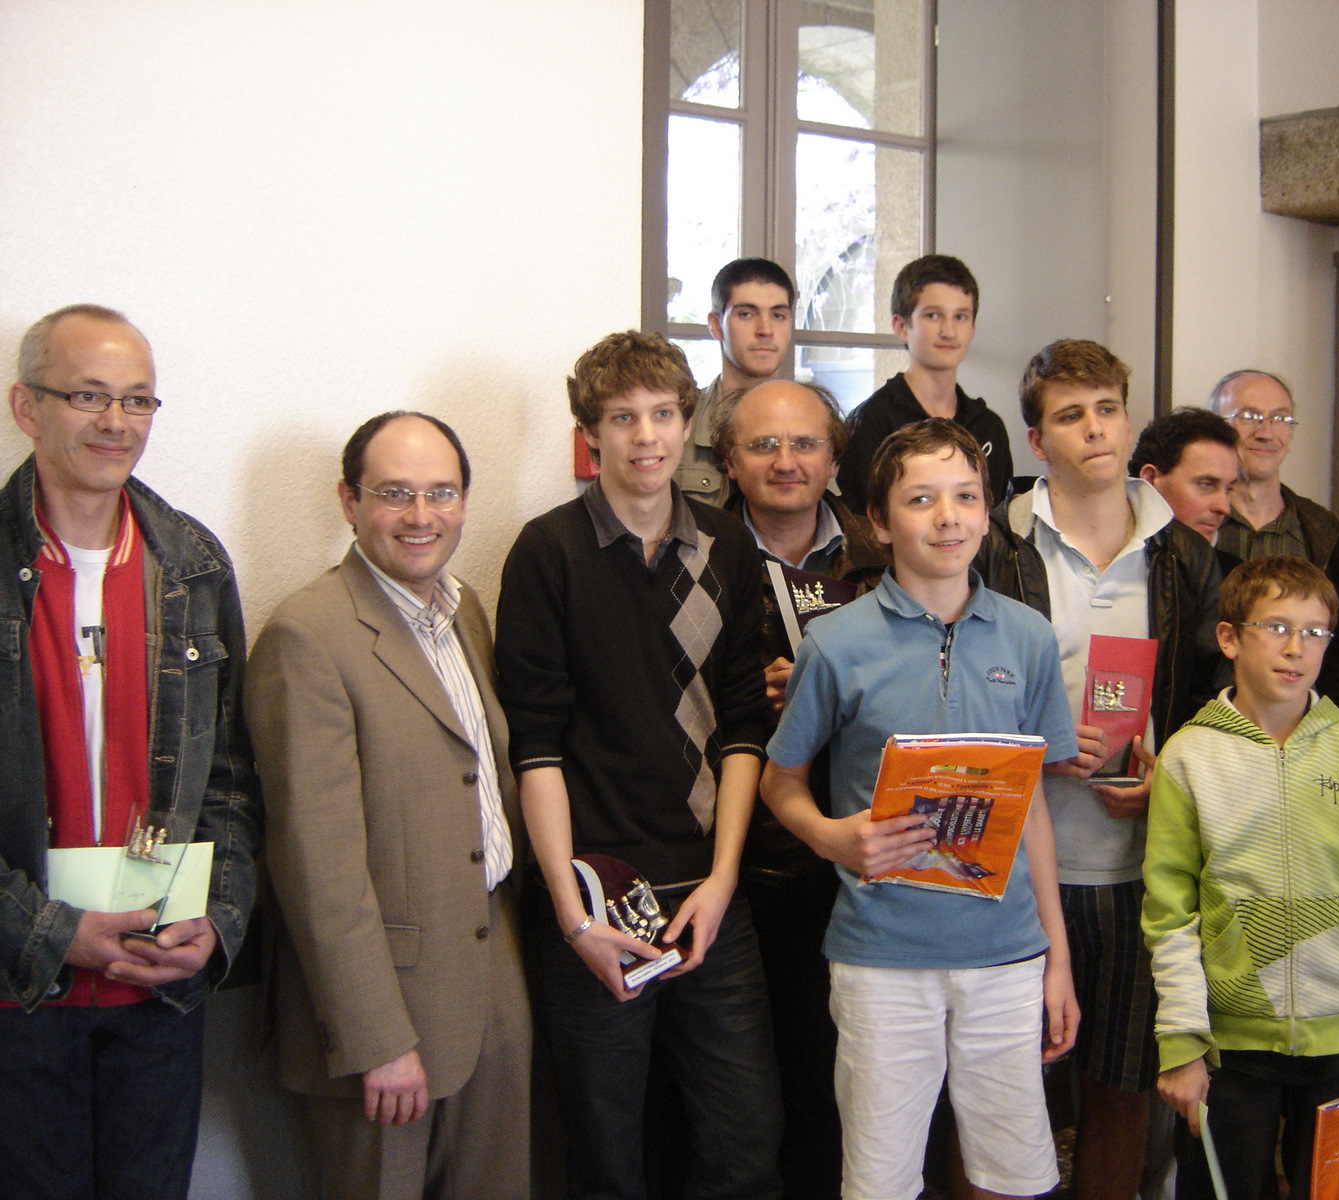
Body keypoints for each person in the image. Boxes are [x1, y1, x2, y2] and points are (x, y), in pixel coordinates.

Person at [762, 419, 1079, 1200]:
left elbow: (1035, 809)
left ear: (987, 511)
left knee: (1015, 1176)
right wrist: (832, 837)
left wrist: (1058, 959)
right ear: (879, 521)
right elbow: (779, 782)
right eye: (921, 499)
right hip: (881, 957)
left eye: (966, 497)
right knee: (880, 1178)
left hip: (1006, 956)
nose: (948, 518)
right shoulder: (835, 644)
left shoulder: (1029, 639)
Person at [497, 330, 781, 1200]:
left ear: (688, 423)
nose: (646, 436)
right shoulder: (547, 552)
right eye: (622, 418)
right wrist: (571, 915)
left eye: (662, 414)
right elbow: (535, 745)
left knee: (746, 1144)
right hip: (595, 896)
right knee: (606, 1155)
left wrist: (724, 879)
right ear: (591, 434)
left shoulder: (727, 547)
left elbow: (744, 728)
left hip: (711, 892)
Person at [0, 304, 262, 1196]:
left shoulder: (191, 564)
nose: (117, 423)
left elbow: (230, 779)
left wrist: (217, 922)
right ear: (27, 407)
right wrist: (52, 932)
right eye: (89, 396)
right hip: (18, 991)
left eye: (138, 400)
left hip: (158, 995)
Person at [246, 413, 533, 1199]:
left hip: (491, 969)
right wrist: (375, 1037)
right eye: (395, 493)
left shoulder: (465, 612)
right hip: (387, 1009)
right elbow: (317, 868)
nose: (421, 516)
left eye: (442, 492)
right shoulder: (306, 636)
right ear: (349, 501)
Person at [974, 340, 1224, 1200]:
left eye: (1108, 409)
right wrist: (1033, 744)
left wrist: (1171, 777)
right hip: (1015, 866)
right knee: (999, 1089)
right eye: (1071, 415)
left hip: (1135, 867)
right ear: (1037, 441)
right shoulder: (995, 544)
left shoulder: (1185, 554)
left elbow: (1214, 702)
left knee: (1121, 1087)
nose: (1095, 429)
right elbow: (953, 687)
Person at [1144, 555, 1339, 1200]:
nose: (1297, 649)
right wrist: (1182, 1043)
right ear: (1230, 637)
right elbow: (1170, 910)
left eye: (1315, 632)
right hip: (1228, 1044)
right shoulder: (1190, 755)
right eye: (1277, 627)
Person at [711, 376, 886, 1198]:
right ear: (728, 461)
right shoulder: (695, 554)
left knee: (839, 1084)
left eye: (806, 443)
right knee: (742, 1096)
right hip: (738, 858)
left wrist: (831, 687)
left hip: (861, 852)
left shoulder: (887, 551)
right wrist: (747, 690)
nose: (787, 461)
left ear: (834, 457)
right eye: (764, 444)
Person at [1208, 370, 1339, 712]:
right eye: (1249, 416)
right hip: (1202, 722)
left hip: (1299, 728)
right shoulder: (1194, 523)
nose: (1266, 432)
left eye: (1280, 419)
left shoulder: (1323, 532)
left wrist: (1336, 724)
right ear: (1215, 427)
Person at [835, 254, 1012, 512]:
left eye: (960, 317)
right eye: (933, 315)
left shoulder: (989, 427)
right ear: (901, 326)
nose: (949, 331)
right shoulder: (871, 423)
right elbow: (860, 524)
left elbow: (996, 520)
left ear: (973, 327)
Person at [677, 257, 796, 506]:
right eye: (746, 314)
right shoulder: (680, 424)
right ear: (715, 325)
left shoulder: (815, 424)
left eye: (778, 315)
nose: (765, 330)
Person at [1129, 407, 1240, 543]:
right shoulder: (1108, 550)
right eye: (1206, 485)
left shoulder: (1230, 556)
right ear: (1150, 479)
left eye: (1228, 489)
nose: (1224, 508)